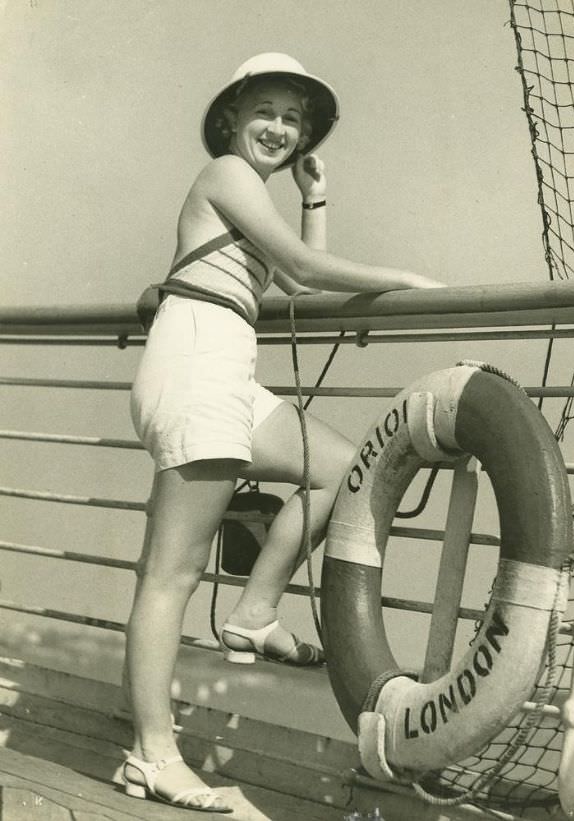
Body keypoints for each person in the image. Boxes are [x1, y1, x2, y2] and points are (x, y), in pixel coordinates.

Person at [123, 52, 446, 812]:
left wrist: (318, 199)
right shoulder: (227, 176)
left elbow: (299, 278)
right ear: (232, 118)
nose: (279, 128)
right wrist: (410, 280)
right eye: (265, 110)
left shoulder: (257, 193)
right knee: (170, 574)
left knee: (343, 469)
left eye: (293, 118)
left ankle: (255, 610)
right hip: (197, 363)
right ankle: (153, 753)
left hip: (226, 369)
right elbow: (301, 266)